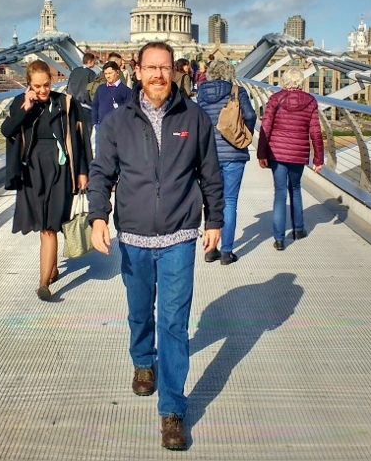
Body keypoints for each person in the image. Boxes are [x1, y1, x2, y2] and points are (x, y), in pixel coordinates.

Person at [87, 41, 223, 451]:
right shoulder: (116, 123)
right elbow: (100, 173)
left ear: (173, 72)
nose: (159, 75)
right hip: (133, 235)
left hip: (181, 235)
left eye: (165, 68)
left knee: (175, 325)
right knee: (139, 312)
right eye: (151, 68)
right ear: (137, 71)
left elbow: (210, 172)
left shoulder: (195, 117)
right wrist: (97, 217)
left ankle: (172, 411)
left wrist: (214, 220)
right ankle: (143, 361)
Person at [2, 60, 89, 300]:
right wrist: (25, 108)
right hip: (32, 172)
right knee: (43, 226)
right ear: (28, 85)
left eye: (46, 85)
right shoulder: (21, 103)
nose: (43, 90)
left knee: (50, 228)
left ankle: (43, 284)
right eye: (37, 86)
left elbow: (81, 140)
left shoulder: (66, 103)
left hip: (60, 170)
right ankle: (51, 268)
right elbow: (7, 131)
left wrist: (83, 171)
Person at [196, 59, 256, 265]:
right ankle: (226, 252)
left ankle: (210, 249)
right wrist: (244, 131)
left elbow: (197, 121)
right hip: (233, 152)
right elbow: (249, 114)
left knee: (210, 201)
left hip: (208, 155)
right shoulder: (236, 91)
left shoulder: (201, 93)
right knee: (229, 201)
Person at [257, 67, 323, 251]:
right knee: (295, 188)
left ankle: (279, 239)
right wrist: (318, 159)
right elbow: (315, 132)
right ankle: (298, 229)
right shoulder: (310, 101)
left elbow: (265, 128)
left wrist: (261, 154)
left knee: (280, 193)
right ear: (300, 81)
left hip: (276, 153)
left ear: (284, 81)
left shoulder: (275, 99)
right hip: (298, 153)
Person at [90, 61, 133, 154]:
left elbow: (129, 110)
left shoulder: (126, 91)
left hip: (118, 127)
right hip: (101, 125)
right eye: (105, 74)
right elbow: (95, 105)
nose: (108, 76)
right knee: (100, 153)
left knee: (118, 153)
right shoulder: (100, 88)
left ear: (117, 72)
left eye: (110, 73)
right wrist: (94, 122)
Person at [66, 52, 99, 156]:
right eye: (94, 61)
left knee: (73, 132)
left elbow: (69, 87)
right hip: (86, 106)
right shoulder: (91, 74)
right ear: (90, 61)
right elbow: (93, 91)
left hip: (73, 104)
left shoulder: (74, 72)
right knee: (86, 133)